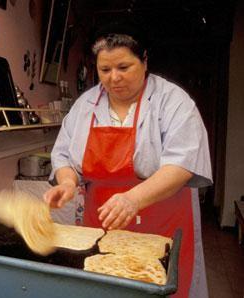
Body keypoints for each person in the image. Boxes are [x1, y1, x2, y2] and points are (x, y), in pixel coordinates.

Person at [43, 20, 212, 298]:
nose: (113, 78)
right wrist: (67, 183)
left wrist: (133, 199)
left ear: (144, 61)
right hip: (102, 225)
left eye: (124, 67)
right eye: (105, 69)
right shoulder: (85, 105)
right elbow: (64, 157)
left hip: (163, 223)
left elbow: (182, 165)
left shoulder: (172, 101)